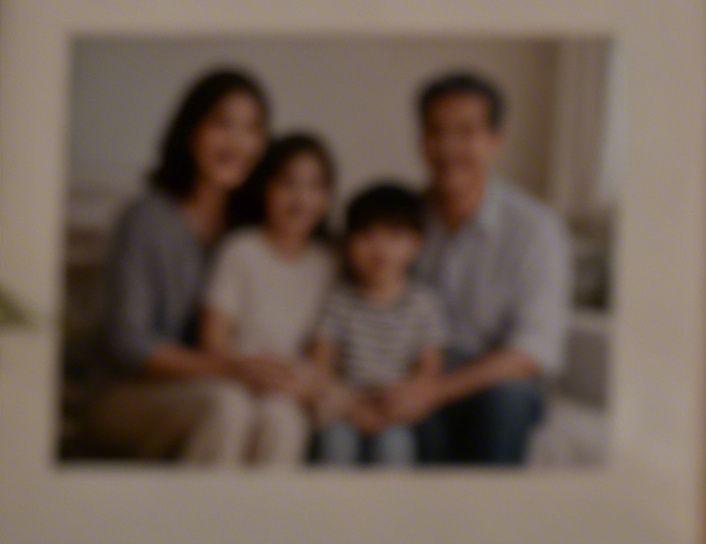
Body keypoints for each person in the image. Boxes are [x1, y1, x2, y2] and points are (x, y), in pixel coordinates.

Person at [85, 68, 307, 466]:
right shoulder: (146, 219)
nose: (238, 142)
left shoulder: (252, 227)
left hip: (226, 385)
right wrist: (231, 368)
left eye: (252, 129)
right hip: (128, 394)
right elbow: (128, 345)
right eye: (223, 124)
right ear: (191, 131)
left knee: (279, 417)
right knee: (228, 407)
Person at [369, 71, 570, 466]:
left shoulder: (535, 228)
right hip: (417, 372)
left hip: (494, 380)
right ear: (421, 140)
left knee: (505, 400)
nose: (448, 148)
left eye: (465, 132)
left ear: (495, 140)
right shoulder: (400, 219)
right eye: (436, 132)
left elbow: (534, 348)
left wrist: (437, 390)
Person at [197, 133, 339, 426]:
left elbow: (325, 354)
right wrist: (245, 369)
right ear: (266, 188)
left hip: (293, 389)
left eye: (314, 186)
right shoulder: (240, 250)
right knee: (231, 410)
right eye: (288, 184)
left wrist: (305, 383)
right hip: (236, 378)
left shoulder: (330, 264)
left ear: (327, 196)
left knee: (281, 421)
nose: (301, 199)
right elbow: (213, 340)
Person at [307, 185, 447, 467]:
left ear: (416, 244)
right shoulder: (340, 301)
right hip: (345, 407)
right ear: (348, 244)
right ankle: (330, 511)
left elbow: (429, 371)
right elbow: (320, 363)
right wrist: (348, 405)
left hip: (395, 411)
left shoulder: (424, 304)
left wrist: (398, 406)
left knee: (395, 446)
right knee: (336, 442)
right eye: (367, 236)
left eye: (394, 236)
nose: (379, 248)